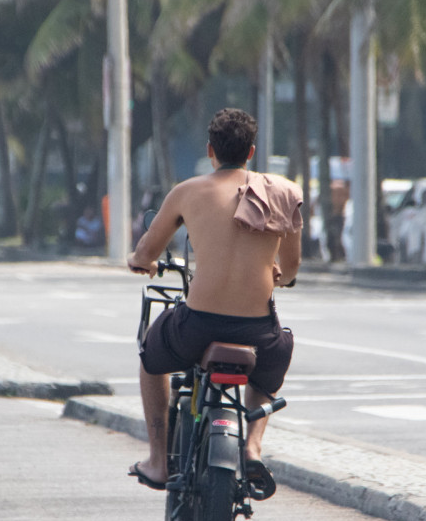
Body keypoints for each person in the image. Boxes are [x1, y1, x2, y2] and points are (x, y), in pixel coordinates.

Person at [127, 108, 301, 500]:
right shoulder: (283, 192)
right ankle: (252, 446)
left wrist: (141, 261)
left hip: (197, 326)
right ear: (251, 152)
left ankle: (158, 461)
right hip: (257, 332)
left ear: (210, 151)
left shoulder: (187, 192)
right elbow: (290, 269)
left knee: (151, 357)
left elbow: (146, 252)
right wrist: (277, 274)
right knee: (271, 364)